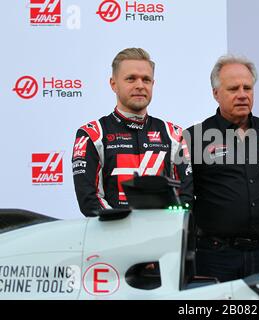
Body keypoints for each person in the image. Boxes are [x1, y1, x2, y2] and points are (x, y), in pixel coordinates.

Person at [183, 55, 259, 282]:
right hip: (214, 256)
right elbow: (186, 197)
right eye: (233, 88)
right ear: (215, 93)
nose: (242, 94)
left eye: (247, 87)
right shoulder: (195, 137)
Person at [72, 48, 191, 216]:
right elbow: (89, 199)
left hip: (162, 238)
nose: (140, 85)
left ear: (153, 84)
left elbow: (185, 197)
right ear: (113, 84)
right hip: (114, 238)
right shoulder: (92, 134)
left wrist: (163, 227)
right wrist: (126, 229)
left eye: (146, 80)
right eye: (131, 79)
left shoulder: (175, 135)